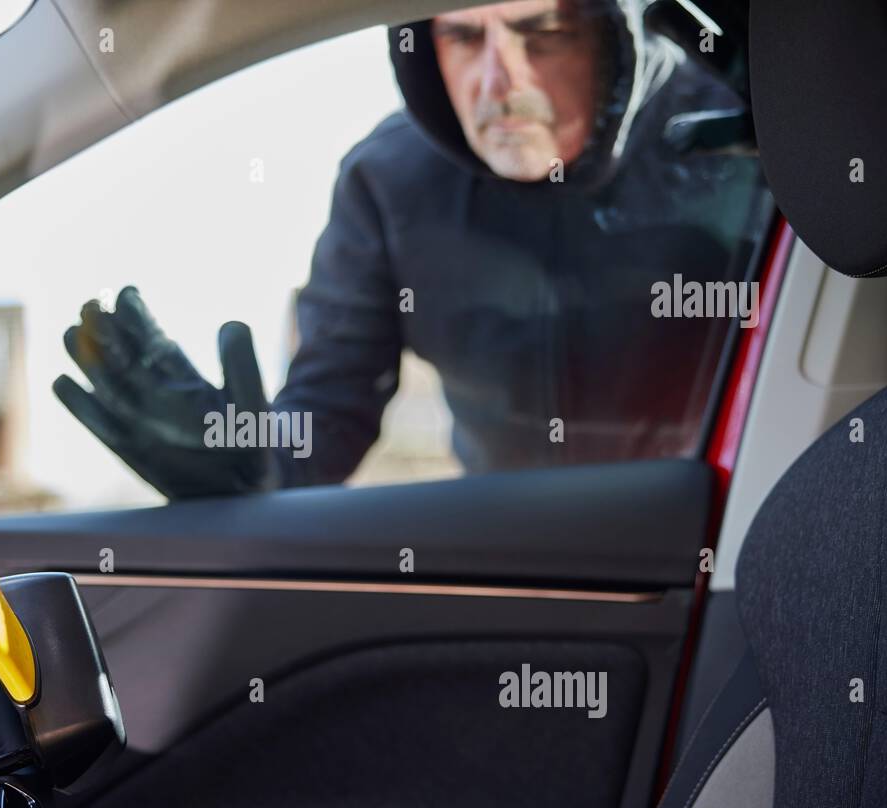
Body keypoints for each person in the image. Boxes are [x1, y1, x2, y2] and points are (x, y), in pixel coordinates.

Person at [54, 0, 765, 498]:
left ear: (612, 34)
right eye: (464, 37)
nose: (500, 82)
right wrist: (243, 458)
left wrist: (807, 145)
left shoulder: (744, 131)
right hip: (527, 568)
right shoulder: (389, 182)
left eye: (543, 34)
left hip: (725, 551)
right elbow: (327, 415)